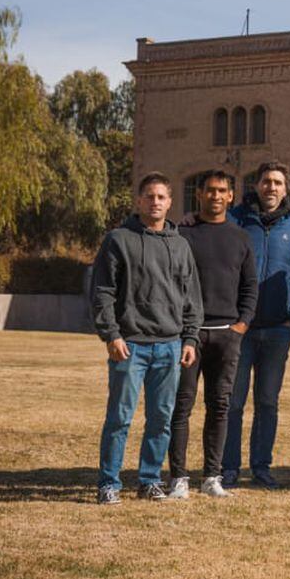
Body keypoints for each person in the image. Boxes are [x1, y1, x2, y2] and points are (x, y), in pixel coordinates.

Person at [90, 173, 202, 504]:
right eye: (149, 196)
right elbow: (102, 291)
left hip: (169, 346)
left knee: (161, 420)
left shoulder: (180, 245)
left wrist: (190, 339)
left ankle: (149, 480)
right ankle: (109, 483)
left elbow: (191, 298)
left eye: (161, 197)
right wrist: (111, 334)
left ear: (170, 203)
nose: (155, 202)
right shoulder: (118, 239)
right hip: (130, 346)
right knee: (119, 419)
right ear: (139, 201)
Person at [165, 171, 258, 500]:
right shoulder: (182, 234)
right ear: (199, 194)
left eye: (222, 191)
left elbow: (250, 286)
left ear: (231, 196)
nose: (216, 196)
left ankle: (212, 476)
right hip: (189, 335)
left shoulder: (241, 237)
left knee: (220, 407)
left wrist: (241, 325)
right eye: (210, 191)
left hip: (227, 335)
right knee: (182, 406)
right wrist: (181, 328)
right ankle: (178, 477)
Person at [221, 161, 290, 489]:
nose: (271, 188)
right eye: (265, 182)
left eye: (277, 183)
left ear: (286, 189)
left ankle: (261, 466)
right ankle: (228, 467)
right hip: (240, 329)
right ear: (256, 186)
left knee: (268, 401)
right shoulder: (235, 222)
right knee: (232, 401)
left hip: (277, 330)